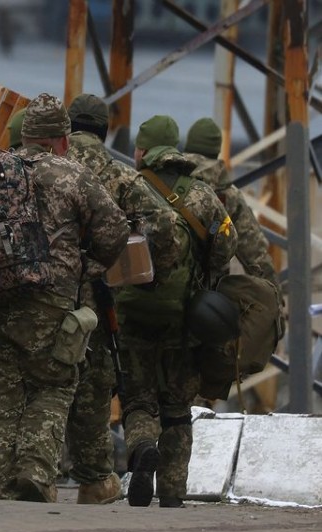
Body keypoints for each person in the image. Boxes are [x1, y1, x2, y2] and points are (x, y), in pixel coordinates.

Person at [0, 93, 129, 503]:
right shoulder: (71, 174)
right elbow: (115, 231)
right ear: (62, 140)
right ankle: (35, 472)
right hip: (50, 299)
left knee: (2, 392)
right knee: (53, 383)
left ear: (24, 136)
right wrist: (89, 266)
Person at [63, 94, 186, 504]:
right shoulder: (116, 174)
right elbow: (165, 226)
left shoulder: (40, 165)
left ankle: (28, 473)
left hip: (38, 289)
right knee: (95, 386)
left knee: (40, 383)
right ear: (105, 130)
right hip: (96, 296)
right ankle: (94, 479)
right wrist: (144, 274)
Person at [118, 115, 237, 508]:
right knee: (176, 408)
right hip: (183, 319)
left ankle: (141, 448)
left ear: (143, 151)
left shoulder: (126, 187)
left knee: (137, 398)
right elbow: (226, 245)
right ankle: (172, 491)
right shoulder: (203, 195)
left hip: (134, 313)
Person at [182, 117, 278, 286]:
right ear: (216, 151)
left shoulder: (167, 178)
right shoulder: (228, 195)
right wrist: (274, 295)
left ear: (188, 146)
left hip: (158, 293)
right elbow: (254, 253)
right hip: (207, 298)